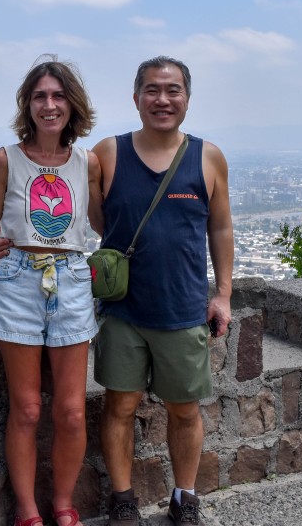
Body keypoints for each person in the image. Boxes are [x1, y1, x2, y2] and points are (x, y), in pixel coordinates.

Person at [93, 56, 233, 526]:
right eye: (152, 90)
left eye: (173, 90)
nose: (162, 99)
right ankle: (122, 498)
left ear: (187, 99)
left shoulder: (207, 156)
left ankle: (184, 497)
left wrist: (224, 294)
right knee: (120, 405)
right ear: (136, 98)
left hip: (183, 307)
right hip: (123, 310)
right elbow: (96, 219)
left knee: (185, 409)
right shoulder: (108, 153)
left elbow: (221, 229)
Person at [0, 56, 103, 526]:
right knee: (27, 409)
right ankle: (28, 512)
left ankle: (64, 505)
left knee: (71, 412)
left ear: (72, 104)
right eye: (39, 97)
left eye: (57, 96)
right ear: (27, 105)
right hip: (17, 282)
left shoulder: (87, 163)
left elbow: (102, 222)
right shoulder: (4, 160)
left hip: (69, 281)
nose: (49, 105)